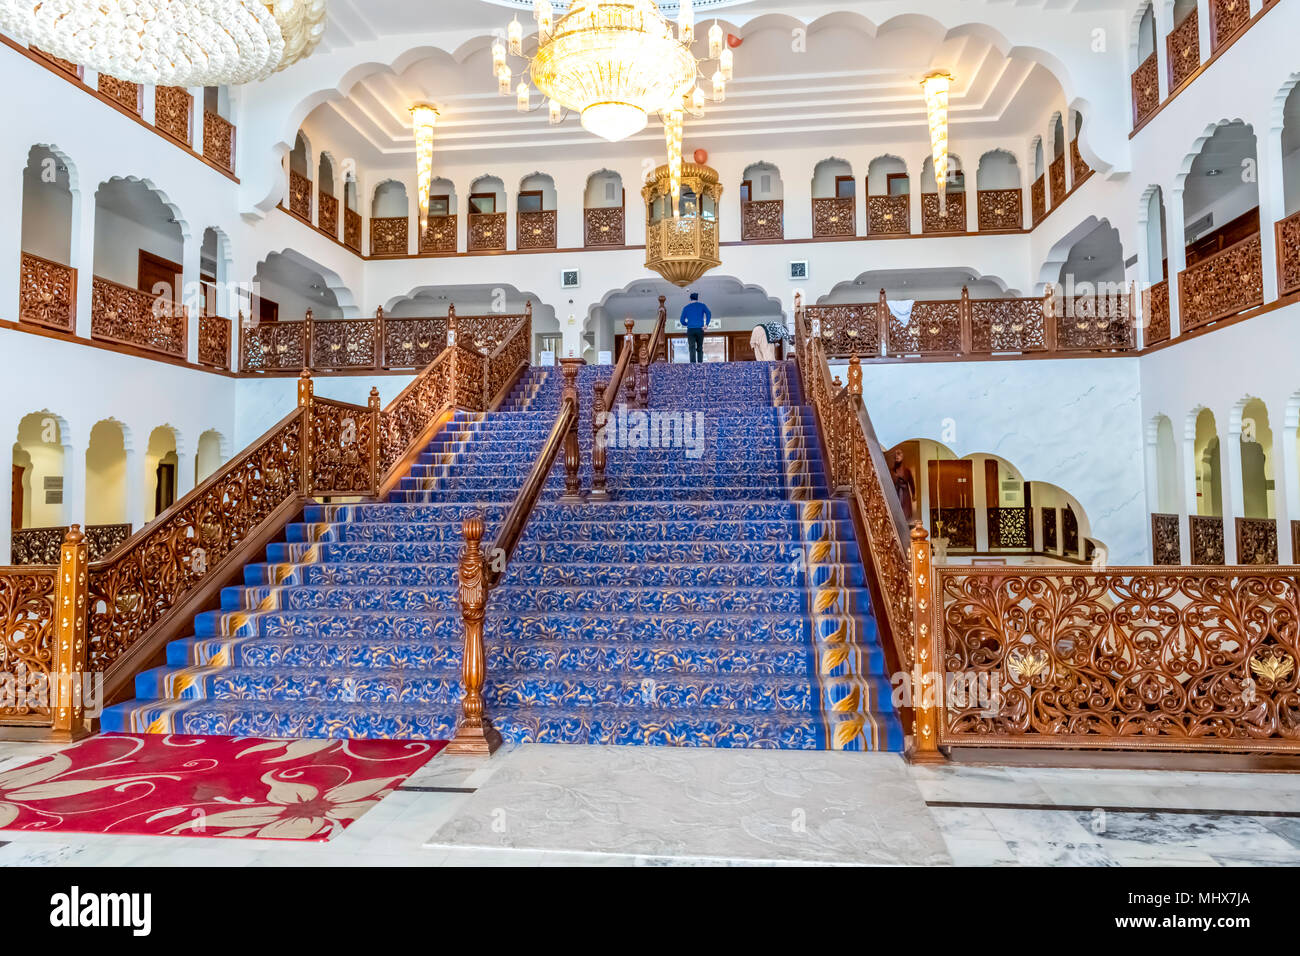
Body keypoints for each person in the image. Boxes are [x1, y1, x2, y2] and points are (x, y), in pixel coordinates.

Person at [680, 291, 711, 363]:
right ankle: (700, 363)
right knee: (700, 347)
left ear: (690, 299)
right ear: (697, 299)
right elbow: (708, 313)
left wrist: (688, 324)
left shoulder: (686, 308)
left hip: (690, 330)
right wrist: (706, 324)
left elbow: (682, 321)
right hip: (700, 329)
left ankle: (693, 364)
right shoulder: (702, 305)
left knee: (692, 347)